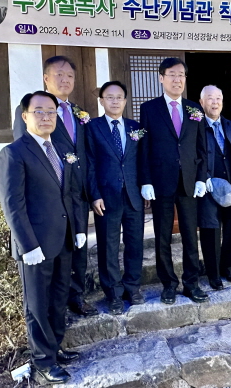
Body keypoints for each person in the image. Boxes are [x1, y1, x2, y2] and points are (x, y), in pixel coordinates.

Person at [0, 91, 86, 384]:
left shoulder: (60, 149)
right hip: (35, 244)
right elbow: (13, 204)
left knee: (58, 298)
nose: (46, 117)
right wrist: (27, 245)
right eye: (39, 111)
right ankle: (42, 361)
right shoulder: (14, 152)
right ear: (25, 116)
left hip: (63, 239)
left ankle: (55, 348)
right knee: (37, 305)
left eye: (51, 111)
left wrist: (79, 228)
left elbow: (71, 193)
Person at [13, 56, 97, 317]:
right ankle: (51, 307)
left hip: (77, 194)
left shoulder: (79, 112)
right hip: (51, 196)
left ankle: (76, 296)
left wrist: (92, 192)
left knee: (78, 250)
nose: (65, 80)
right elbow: (25, 153)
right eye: (58, 74)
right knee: (53, 251)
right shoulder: (30, 111)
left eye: (69, 75)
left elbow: (86, 155)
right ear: (46, 79)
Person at [139, 57, 209, 305]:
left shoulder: (194, 108)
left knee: (190, 234)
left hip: (189, 182)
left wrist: (201, 178)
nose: (177, 79)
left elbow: (202, 148)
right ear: (161, 78)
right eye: (172, 74)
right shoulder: (149, 109)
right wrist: (146, 180)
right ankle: (168, 284)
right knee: (162, 237)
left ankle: (191, 283)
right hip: (161, 182)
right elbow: (144, 148)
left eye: (181, 75)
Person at [85, 81, 145, 314]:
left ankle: (132, 287)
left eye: (119, 97)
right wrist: (94, 195)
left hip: (133, 194)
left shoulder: (135, 127)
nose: (115, 101)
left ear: (125, 101)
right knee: (108, 246)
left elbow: (142, 159)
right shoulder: (93, 127)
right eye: (109, 97)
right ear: (101, 101)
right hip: (106, 197)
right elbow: (90, 163)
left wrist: (144, 187)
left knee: (135, 243)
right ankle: (113, 293)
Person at [197, 85, 231, 290]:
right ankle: (213, 273)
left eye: (218, 98)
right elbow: (192, 156)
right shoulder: (196, 126)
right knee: (211, 230)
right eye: (210, 98)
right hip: (208, 186)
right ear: (202, 102)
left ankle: (228, 268)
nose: (215, 102)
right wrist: (202, 178)